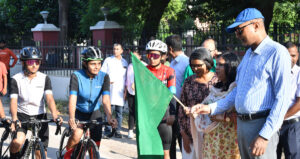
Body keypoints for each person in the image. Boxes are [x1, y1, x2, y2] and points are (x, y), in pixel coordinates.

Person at [191, 8, 291, 159]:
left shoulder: (277, 53)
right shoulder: (248, 55)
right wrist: (209, 108)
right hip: (243, 125)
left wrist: (264, 136)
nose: (237, 35)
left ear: (256, 25)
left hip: (261, 125)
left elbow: (282, 99)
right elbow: (237, 93)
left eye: (239, 30)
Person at [64, 46, 117, 159]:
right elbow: (72, 98)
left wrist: (109, 117)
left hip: (94, 111)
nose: (97, 67)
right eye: (93, 64)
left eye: (99, 63)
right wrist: (72, 117)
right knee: (77, 134)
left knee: (96, 143)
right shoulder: (76, 76)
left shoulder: (104, 77)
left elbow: (106, 99)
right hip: (79, 111)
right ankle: (67, 156)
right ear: (85, 63)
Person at [9, 47, 62, 159]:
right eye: (30, 62)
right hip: (22, 115)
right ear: (23, 63)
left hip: (40, 115)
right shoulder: (16, 79)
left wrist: (55, 115)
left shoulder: (44, 78)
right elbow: (13, 100)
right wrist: (14, 118)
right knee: (17, 143)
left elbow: (49, 98)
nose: (34, 65)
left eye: (37, 62)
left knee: (40, 154)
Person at [191, 52, 240, 159]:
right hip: (212, 141)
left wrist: (223, 118)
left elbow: (240, 115)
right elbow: (207, 106)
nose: (216, 68)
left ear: (231, 67)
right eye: (216, 65)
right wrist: (196, 110)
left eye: (221, 65)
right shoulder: (216, 89)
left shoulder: (237, 89)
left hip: (229, 142)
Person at [179, 48, 217, 158]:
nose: (195, 69)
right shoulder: (189, 81)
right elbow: (181, 109)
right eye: (192, 66)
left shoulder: (218, 81)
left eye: (199, 65)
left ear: (208, 63)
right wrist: (183, 134)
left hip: (211, 133)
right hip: (190, 134)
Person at [146, 39, 176, 159]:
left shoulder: (169, 71)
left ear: (163, 56)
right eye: (149, 55)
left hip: (164, 115)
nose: (152, 58)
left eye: (155, 55)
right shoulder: (143, 71)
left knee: (165, 153)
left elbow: (172, 95)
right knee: (149, 151)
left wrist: (173, 114)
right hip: (148, 116)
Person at [165, 34, 189, 158]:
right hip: (171, 107)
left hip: (182, 107)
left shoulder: (186, 63)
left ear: (170, 48)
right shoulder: (172, 63)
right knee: (170, 141)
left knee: (182, 140)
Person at [277, 42, 300, 159]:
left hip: (292, 125)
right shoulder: (275, 72)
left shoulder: (299, 73)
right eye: (287, 55)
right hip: (273, 125)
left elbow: (299, 103)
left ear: (298, 56)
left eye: (293, 55)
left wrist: (281, 117)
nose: (291, 59)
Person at [101, 43, 128, 138]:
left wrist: (125, 89)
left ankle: (118, 131)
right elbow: (102, 73)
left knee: (119, 113)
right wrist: (107, 82)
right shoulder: (108, 60)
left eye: (117, 49)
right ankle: (107, 131)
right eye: (114, 49)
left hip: (120, 91)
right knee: (108, 111)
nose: (115, 50)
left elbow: (126, 78)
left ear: (121, 51)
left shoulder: (124, 62)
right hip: (110, 90)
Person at [126, 49, 146, 139]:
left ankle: (140, 130)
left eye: (135, 56)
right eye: (132, 56)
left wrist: (136, 83)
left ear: (140, 56)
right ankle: (130, 130)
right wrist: (126, 91)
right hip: (131, 92)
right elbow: (127, 80)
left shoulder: (144, 65)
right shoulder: (130, 66)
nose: (133, 57)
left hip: (141, 93)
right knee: (131, 111)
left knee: (140, 112)